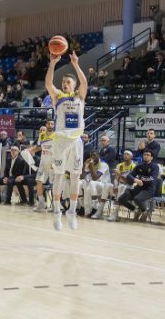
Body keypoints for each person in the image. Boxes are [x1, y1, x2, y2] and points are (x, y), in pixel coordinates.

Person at [45, 51, 87, 231]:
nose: (65, 84)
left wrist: (76, 64)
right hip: (60, 140)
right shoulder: (58, 97)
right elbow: (48, 83)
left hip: (76, 140)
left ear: (74, 85)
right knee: (59, 176)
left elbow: (85, 82)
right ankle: (56, 212)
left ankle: (72, 211)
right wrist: (52, 64)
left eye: (68, 82)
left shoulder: (80, 96)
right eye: (63, 82)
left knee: (76, 176)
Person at [116, 149, 159, 222]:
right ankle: (135, 209)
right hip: (138, 188)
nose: (145, 156)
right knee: (121, 199)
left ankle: (145, 210)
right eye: (144, 155)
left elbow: (152, 178)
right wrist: (136, 180)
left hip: (149, 189)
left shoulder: (155, 166)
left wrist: (142, 179)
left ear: (151, 157)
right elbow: (129, 175)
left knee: (137, 199)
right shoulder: (139, 165)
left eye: (148, 155)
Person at [79, 151, 111, 218]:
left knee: (91, 183)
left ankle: (95, 207)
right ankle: (85, 210)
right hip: (93, 186)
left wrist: (91, 167)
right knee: (84, 187)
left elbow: (95, 178)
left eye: (94, 155)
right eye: (91, 156)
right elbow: (81, 176)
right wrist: (84, 166)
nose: (92, 157)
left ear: (98, 156)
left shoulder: (103, 164)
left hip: (104, 186)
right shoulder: (91, 163)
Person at [33, 120, 55, 212]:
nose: (50, 125)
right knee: (38, 181)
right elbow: (38, 147)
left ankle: (55, 205)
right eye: (48, 124)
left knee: (54, 184)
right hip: (43, 161)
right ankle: (42, 203)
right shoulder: (42, 135)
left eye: (52, 124)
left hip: (52, 163)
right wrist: (31, 150)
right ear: (45, 125)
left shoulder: (57, 135)